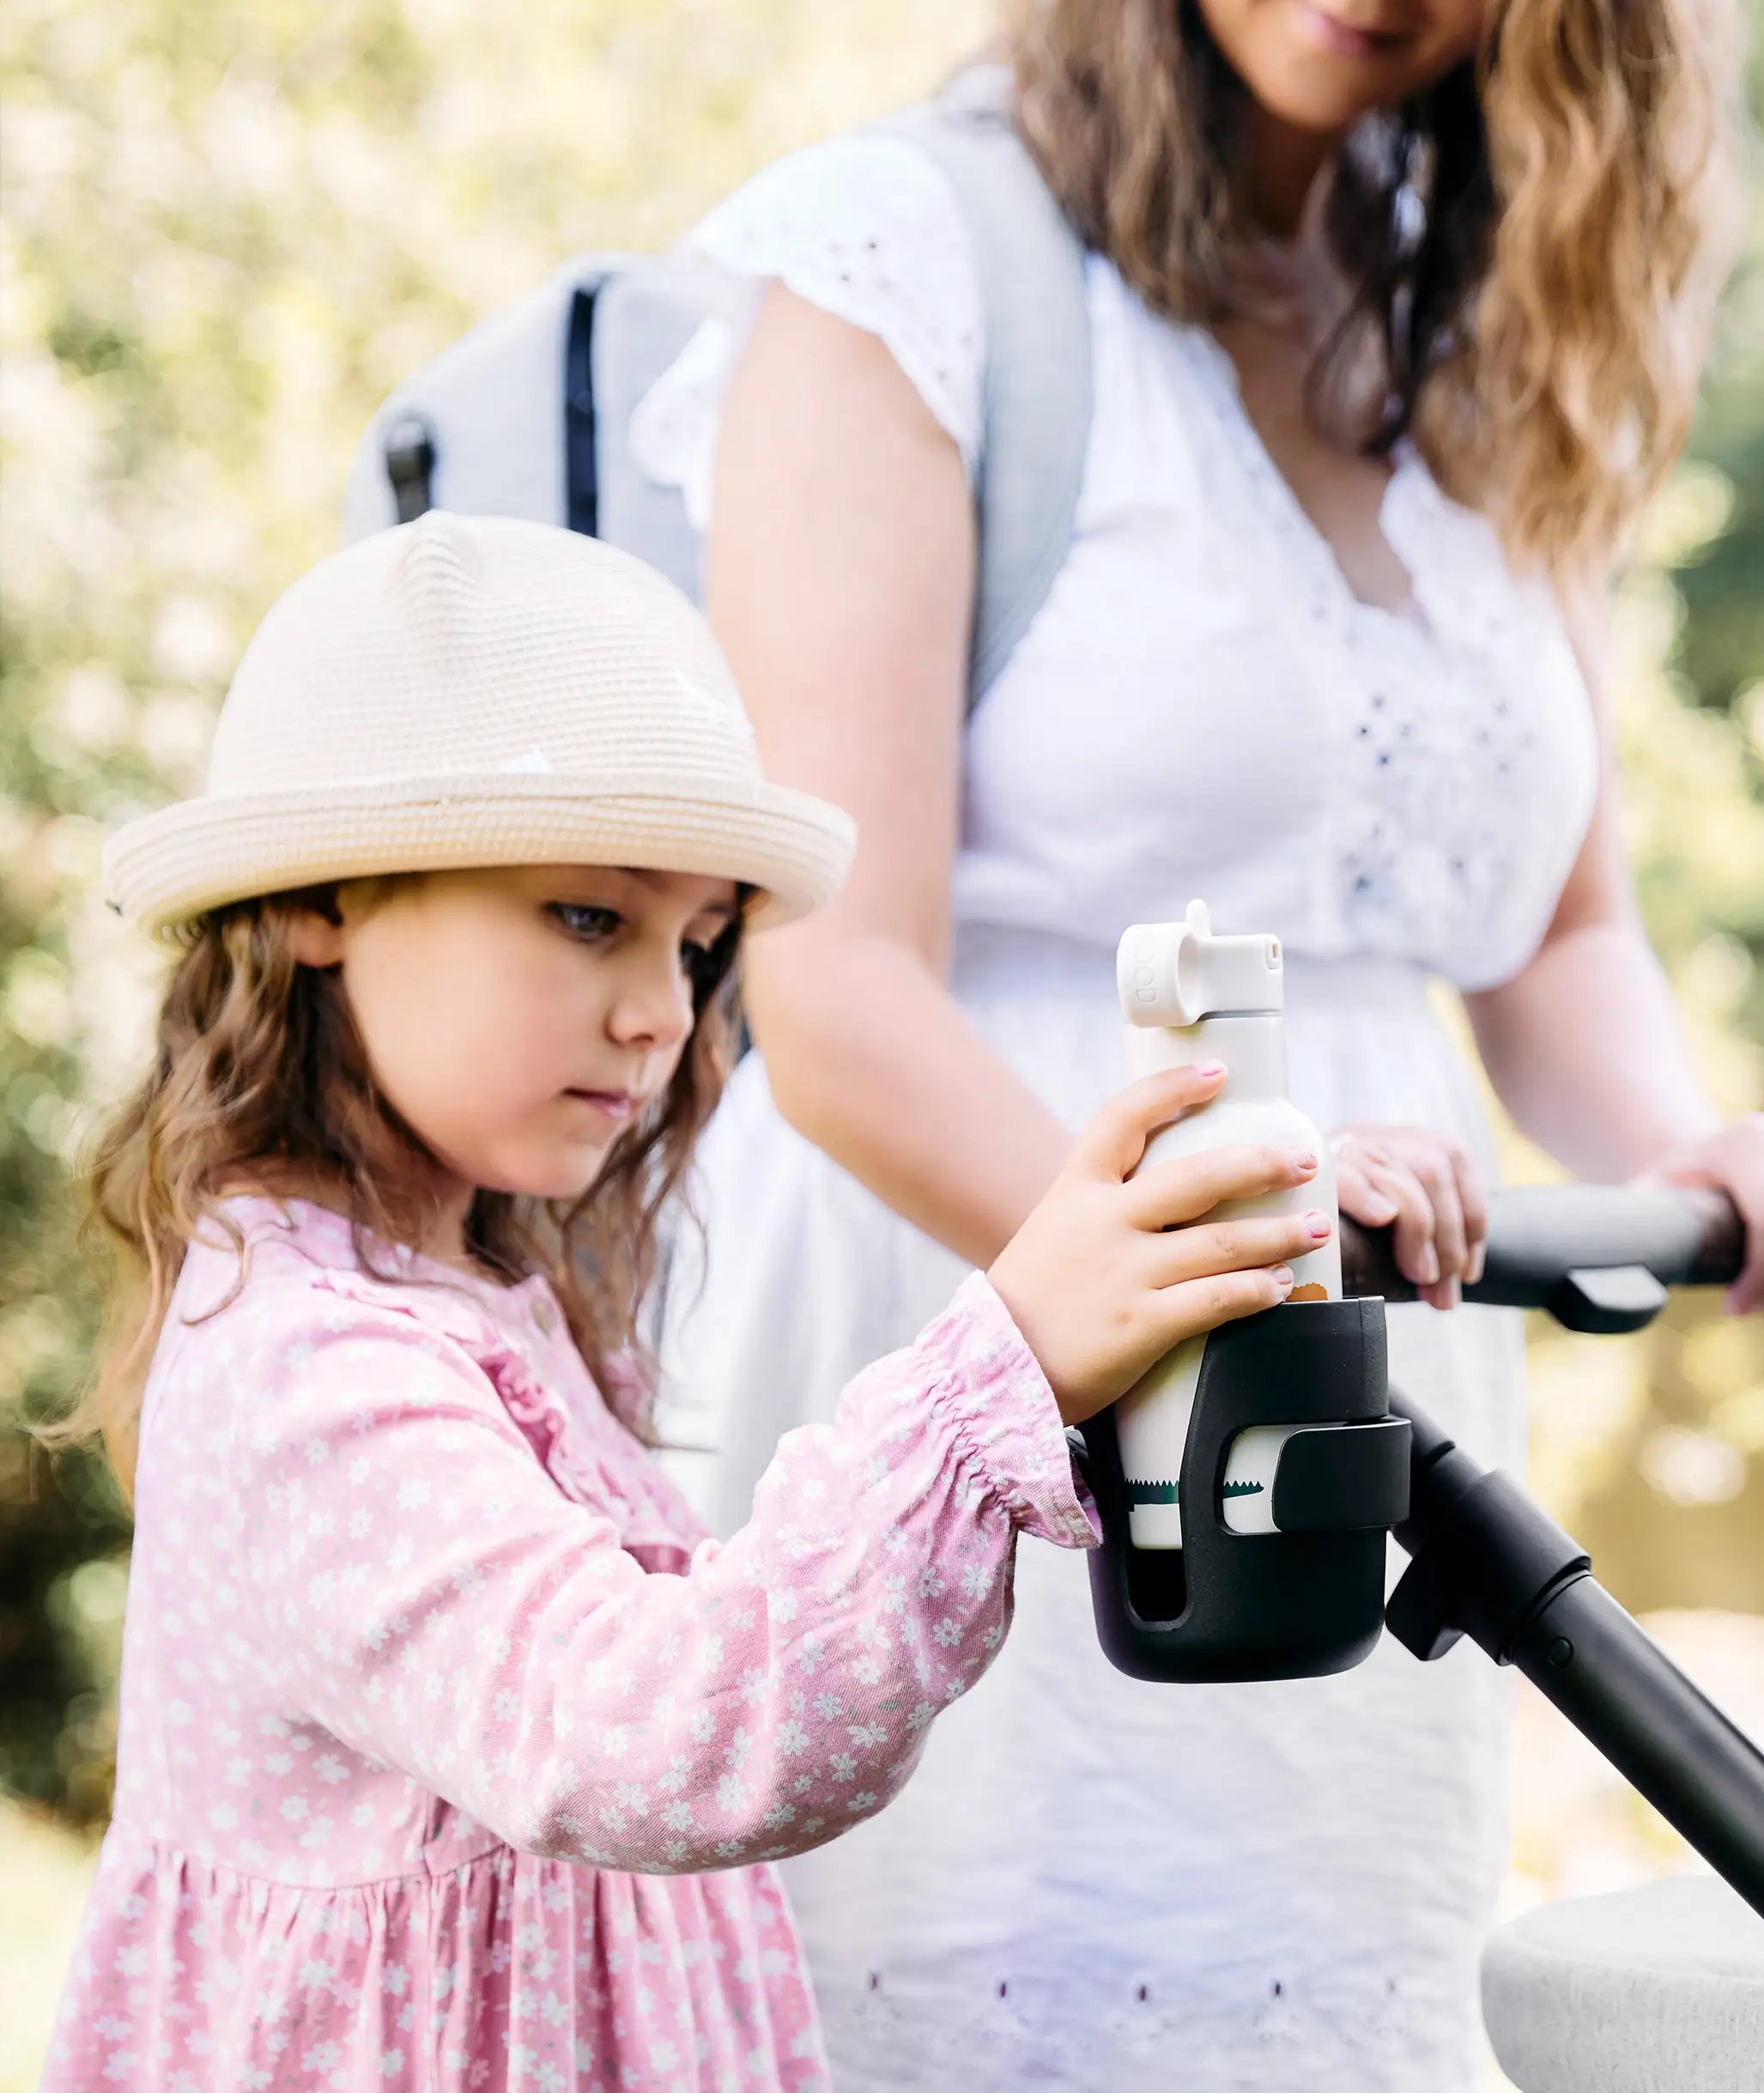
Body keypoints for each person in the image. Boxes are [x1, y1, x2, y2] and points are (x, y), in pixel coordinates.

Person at [633, 0, 1764, 2085]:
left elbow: (1540, 925)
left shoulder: (1495, 299)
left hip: (1360, 1334)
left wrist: (1687, 1150)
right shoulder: (904, 260)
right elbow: (831, 987)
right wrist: (1199, 1266)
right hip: (985, 1303)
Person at [36, 513, 1332, 2093]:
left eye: (699, 943)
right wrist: (999, 1372)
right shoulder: (300, 1366)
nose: (660, 1012)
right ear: (325, 900)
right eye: (590, 915)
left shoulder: (466, 1294)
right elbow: (650, 1731)